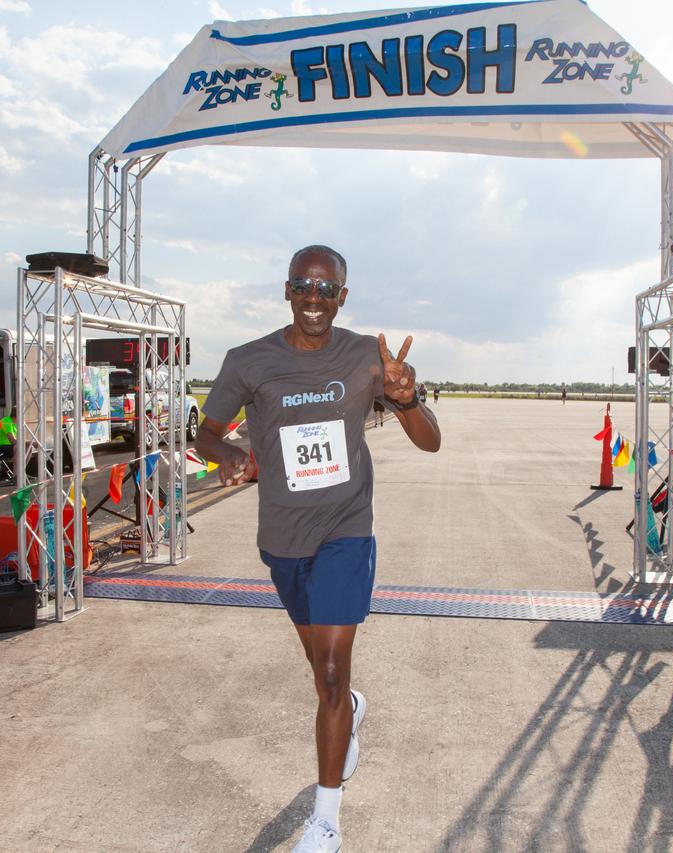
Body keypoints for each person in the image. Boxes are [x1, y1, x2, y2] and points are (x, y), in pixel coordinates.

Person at [195, 245, 441, 853]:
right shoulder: (249, 360)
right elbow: (203, 429)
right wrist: (221, 451)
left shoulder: (365, 357)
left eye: (327, 288)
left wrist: (406, 398)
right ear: (286, 290)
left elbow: (430, 441)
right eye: (304, 285)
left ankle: (326, 818)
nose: (314, 297)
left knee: (330, 670)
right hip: (282, 539)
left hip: (345, 529)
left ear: (342, 298)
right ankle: (350, 706)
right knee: (323, 674)